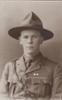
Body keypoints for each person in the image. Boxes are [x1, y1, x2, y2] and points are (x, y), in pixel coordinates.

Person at [0, 11, 62, 100]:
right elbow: (2, 96)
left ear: (41, 40)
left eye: (34, 37)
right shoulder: (10, 67)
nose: (29, 41)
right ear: (20, 40)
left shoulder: (54, 69)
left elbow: (58, 97)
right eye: (26, 37)